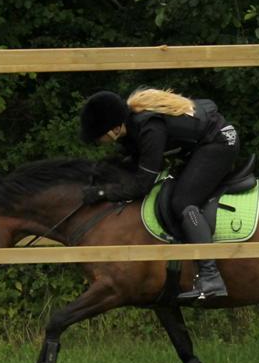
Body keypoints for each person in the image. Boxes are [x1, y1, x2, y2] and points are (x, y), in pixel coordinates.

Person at [79, 87, 240, 300]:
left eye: (99, 137)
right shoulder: (131, 127)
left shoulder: (149, 129)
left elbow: (142, 185)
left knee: (183, 202)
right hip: (203, 141)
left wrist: (102, 192)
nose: (99, 143)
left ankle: (211, 277)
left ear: (113, 129)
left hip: (219, 142)